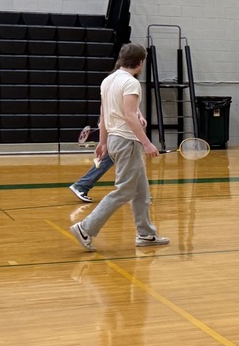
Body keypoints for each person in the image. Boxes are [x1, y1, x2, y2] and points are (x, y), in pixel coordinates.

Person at [70, 43, 169, 251]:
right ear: (140, 62)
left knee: (141, 191)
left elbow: (105, 115)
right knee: (124, 191)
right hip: (127, 142)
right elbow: (130, 116)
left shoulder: (108, 81)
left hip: (115, 141)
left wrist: (103, 142)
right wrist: (147, 143)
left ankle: (146, 234)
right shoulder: (131, 83)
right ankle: (86, 228)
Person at [68, 111, 148, 202]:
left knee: (130, 160)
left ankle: (82, 185)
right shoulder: (109, 98)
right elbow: (104, 114)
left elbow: (133, 105)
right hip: (119, 133)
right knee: (122, 160)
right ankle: (82, 185)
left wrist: (139, 115)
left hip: (123, 131)